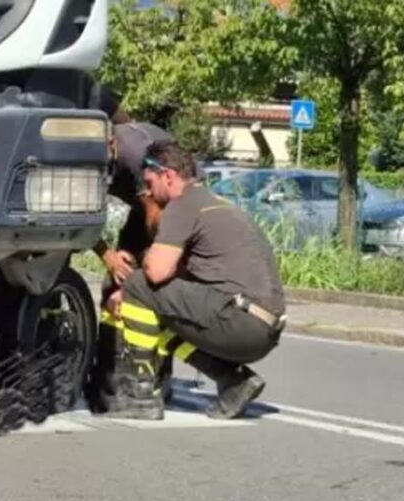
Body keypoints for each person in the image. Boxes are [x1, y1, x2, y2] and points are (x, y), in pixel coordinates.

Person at [107, 140, 286, 420]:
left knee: (138, 285)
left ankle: (139, 396)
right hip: (263, 327)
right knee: (157, 311)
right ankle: (233, 381)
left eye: (150, 183)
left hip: (239, 320)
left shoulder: (182, 205)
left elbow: (156, 272)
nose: (147, 193)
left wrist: (129, 290)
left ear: (168, 176)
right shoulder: (216, 204)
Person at [82, 86, 178, 413]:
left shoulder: (138, 154)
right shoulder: (84, 155)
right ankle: (108, 372)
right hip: (139, 208)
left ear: (112, 143)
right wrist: (108, 255)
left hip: (167, 208)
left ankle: (156, 378)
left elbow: (156, 218)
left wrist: (146, 264)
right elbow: (81, 216)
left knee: (147, 285)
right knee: (113, 284)